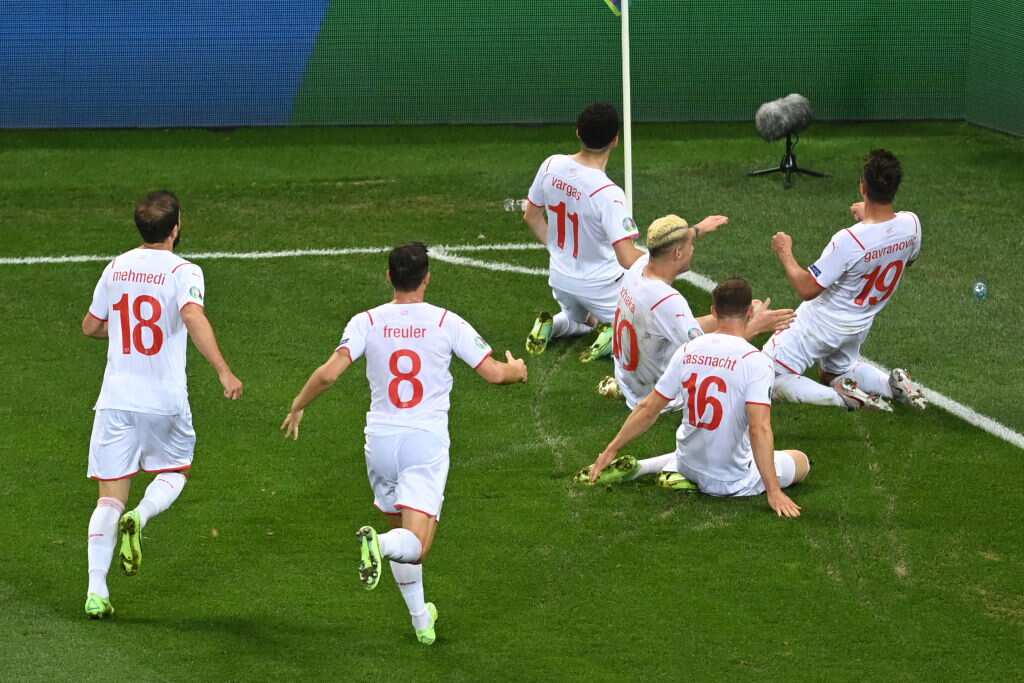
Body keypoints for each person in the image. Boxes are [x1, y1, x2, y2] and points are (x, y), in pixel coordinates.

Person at [280, 242, 527, 645]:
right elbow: (495, 374)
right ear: (427, 277)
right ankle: (376, 544)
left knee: (401, 534)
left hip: (379, 441)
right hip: (423, 443)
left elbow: (328, 374)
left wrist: (298, 404)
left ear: (389, 276)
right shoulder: (446, 321)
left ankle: (420, 621)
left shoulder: (367, 321)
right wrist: (517, 371)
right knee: (417, 545)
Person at [80, 191, 243, 619]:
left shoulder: (116, 267)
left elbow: (91, 325)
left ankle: (96, 591)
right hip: (164, 400)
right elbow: (191, 315)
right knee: (175, 471)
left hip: (115, 400)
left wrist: (122, 333)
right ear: (175, 229)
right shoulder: (183, 270)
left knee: (107, 500)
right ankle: (143, 515)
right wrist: (224, 371)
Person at [578, 278, 808, 517]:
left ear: (713, 311)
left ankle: (643, 468)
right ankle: (664, 469)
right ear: (750, 312)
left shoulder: (688, 349)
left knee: (703, 441)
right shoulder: (756, 361)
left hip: (688, 463)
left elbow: (648, 408)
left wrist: (610, 449)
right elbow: (759, 428)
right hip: (729, 480)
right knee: (801, 461)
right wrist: (773, 491)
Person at [522, 102, 729, 362]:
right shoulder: (608, 194)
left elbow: (531, 216)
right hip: (601, 287)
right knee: (653, 328)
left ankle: (555, 324)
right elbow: (628, 258)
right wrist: (686, 239)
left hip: (560, 281)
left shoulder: (551, 165)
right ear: (616, 140)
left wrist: (556, 250)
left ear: (577, 132)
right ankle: (615, 335)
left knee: (585, 319)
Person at [764, 149, 926, 411]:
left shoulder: (849, 240)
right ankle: (891, 385)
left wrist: (785, 252)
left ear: (863, 186)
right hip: (859, 322)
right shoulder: (912, 224)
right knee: (833, 374)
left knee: (763, 377)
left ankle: (845, 399)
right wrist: (870, 221)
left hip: (819, 324)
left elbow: (807, 288)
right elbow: (906, 257)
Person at [597, 214, 794, 410]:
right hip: (655, 396)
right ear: (677, 254)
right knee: (749, 376)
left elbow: (679, 323)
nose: (693, 249)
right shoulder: (667, 301)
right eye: (690, 246)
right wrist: (757, 325)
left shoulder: (639, 267)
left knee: (708, 324)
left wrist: (697, 229)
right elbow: (711, 357)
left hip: (629, 378)